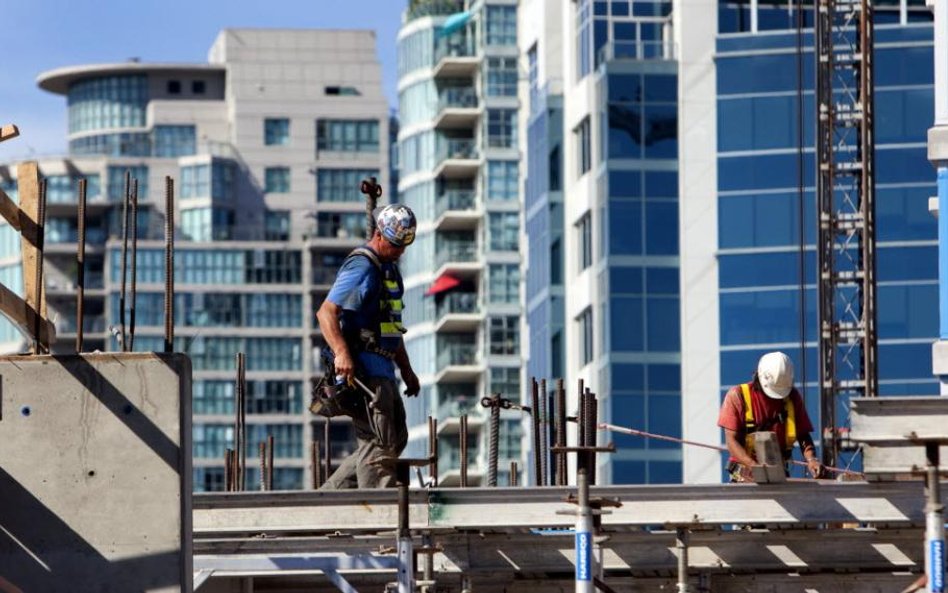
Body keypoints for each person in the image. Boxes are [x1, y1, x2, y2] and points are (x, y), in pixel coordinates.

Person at [315, 204, 421, 489]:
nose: (399, 251)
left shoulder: (389, 271)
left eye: (404, 245)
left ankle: (324, 503)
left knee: (394, 438)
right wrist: (341, 352)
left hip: (384, 370)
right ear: (378, 234)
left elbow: (391, 326)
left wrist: (407, 370)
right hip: (364, 373)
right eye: (395, 244)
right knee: (379, 445)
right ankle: (377, 518)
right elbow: (326, 312)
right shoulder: (362, 266)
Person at [717, 351, 824, 482]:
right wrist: (754, 467)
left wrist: (812, 459)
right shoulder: (738, 396)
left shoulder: (792, 397)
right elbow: (731, 441)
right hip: (744, 477)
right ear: (759, 377)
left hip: (779, 475)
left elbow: (803, 435)